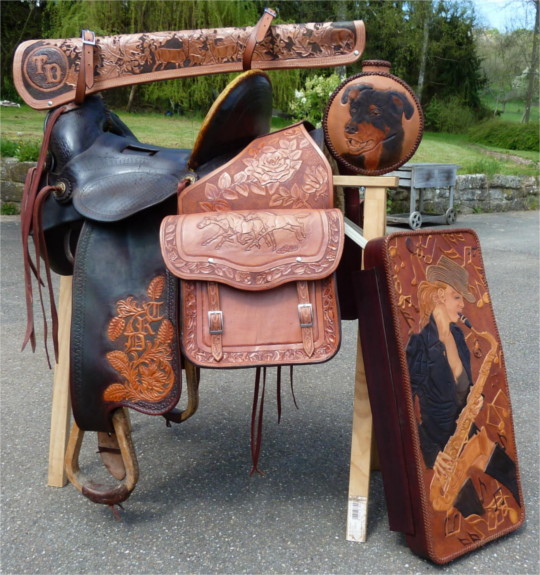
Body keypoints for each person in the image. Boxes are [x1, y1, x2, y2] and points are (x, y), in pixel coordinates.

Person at [406, 255, 519, 517]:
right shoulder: (420, 343)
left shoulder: (458, 335)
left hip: (466, 433)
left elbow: (464, 386)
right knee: (472, 514)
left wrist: (474, 398)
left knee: (509, 473)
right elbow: (402, 402)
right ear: (438, 297)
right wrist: (431, 452)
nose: (462, 304)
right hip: (442, 448)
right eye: (456, 297)